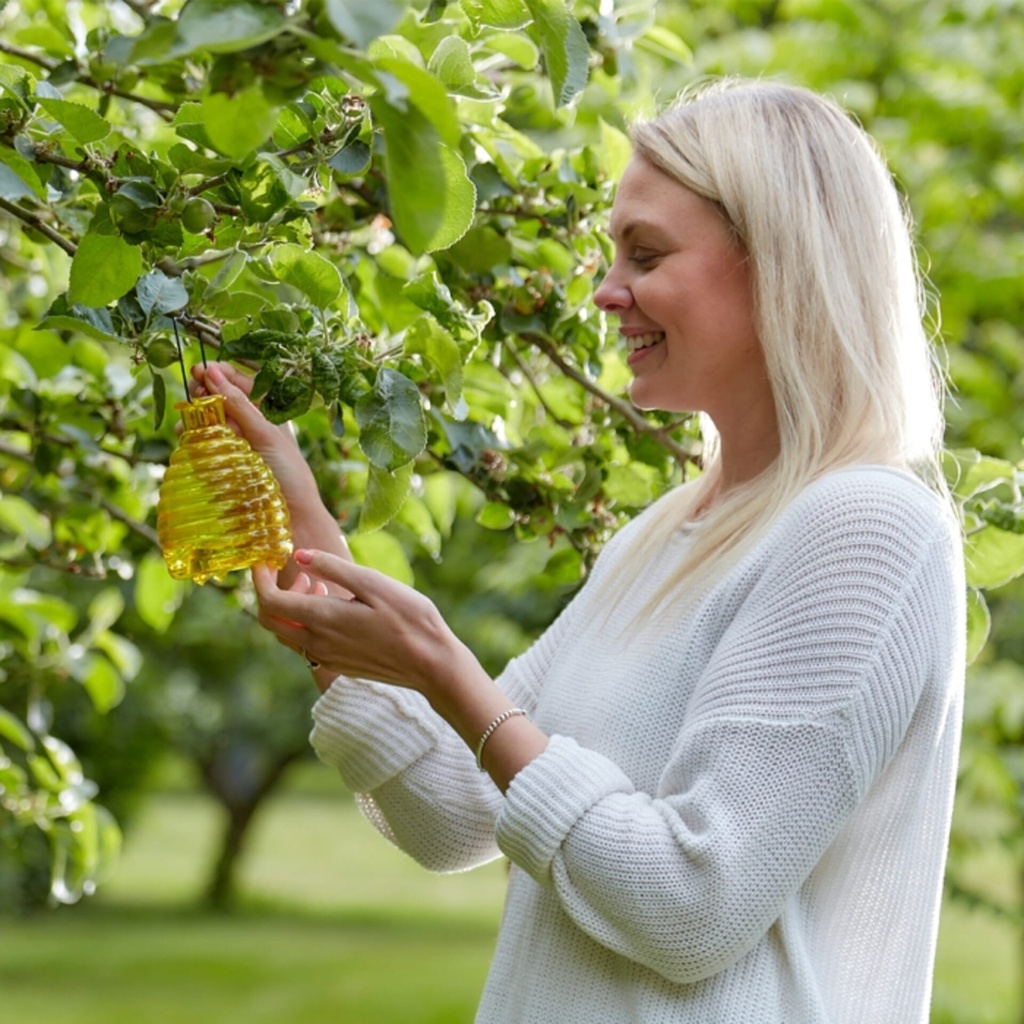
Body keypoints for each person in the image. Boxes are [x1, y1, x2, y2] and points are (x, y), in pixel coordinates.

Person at [191, 77, 965, 1024]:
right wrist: (311, 551)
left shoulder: (867, 526)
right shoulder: (664, 534)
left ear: (780, 262)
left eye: (646, 253)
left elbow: (691, 906)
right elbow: (455, 811)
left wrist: (445, 670)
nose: (606, 292)